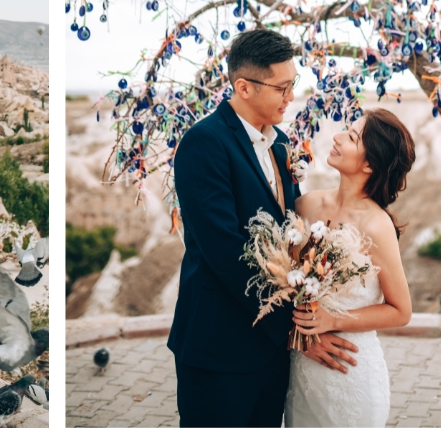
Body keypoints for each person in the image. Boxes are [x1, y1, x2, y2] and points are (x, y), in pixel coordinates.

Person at [169, 27, 340, 427]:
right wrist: (294, 333)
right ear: (243, 87)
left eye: (292, 85)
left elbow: (289, 233)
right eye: (281, 88)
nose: (290, 96)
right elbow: (226, 252)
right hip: (219, 347)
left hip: (270, 353)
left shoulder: (281, 143)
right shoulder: (203, 144)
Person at [284, 108, 415, 427]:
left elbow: (400, 311)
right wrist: (298, 334)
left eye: (352, 137)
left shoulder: (376, 225)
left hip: (349, 372)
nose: (338, 137)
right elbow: (283, 282)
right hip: (301, 372)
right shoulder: (305, 204)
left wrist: (330, 318)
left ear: (369, 163)